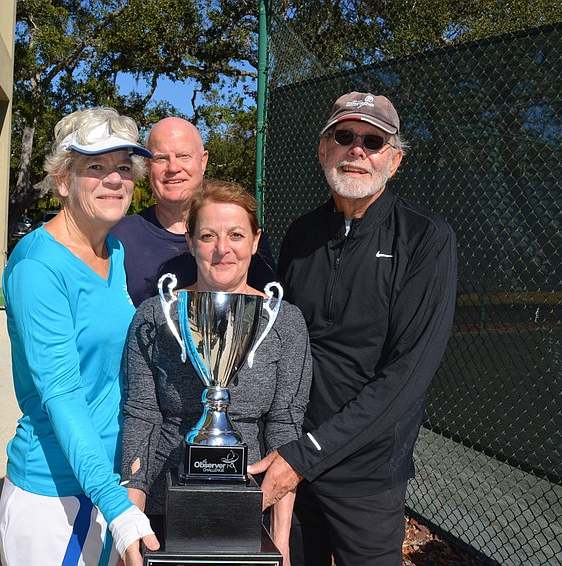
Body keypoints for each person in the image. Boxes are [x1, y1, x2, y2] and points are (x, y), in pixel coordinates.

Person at [248, 92, 458, 565]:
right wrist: (289, 448)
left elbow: (408, 374)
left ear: (395, 159)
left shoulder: (426, 237)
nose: (357, 150)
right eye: (344, 136)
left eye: (374, 141)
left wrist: (310, 453)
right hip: (292, 462)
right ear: (324, 149)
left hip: (365, 475)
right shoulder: (301, 235)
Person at [0, 107, 160, 566]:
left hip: (105, 482)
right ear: (64, 180)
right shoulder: (38, 267)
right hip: (56, 499)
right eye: (96, 167)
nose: (114, 179)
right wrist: (116, 505)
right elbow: (63, 393)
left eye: (124, 168)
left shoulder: (114, 249)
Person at [121, 179, 313, 565]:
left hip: (248, 512)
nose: (222, 249)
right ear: (190, 241)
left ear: (256, 241)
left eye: (236, 235)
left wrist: (280, 542)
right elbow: (141, 417)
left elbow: (285, 426)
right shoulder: (156, 316)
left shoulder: (285, 322)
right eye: (208, 235)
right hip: (163, 506)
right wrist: (131, 525)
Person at [110, 117, 277, 306]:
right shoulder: (119, 239)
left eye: (183, 156)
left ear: (203, 161)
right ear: (148, 166)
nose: (173, 168)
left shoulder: (241, 241)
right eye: (161, 158)